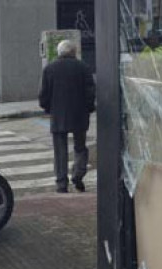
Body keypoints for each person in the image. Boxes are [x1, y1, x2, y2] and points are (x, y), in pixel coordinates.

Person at [39, 40, 95, 193]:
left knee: (60, 150)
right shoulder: (84, 68)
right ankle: (78, 174)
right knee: (80, 147)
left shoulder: (49, 69)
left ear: (59, 52)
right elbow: (90, 92)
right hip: (80, 114)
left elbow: (44, 95)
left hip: (58, 115)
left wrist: (48, 108)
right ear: (74, 52)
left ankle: (61, 183)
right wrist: (89, 108)